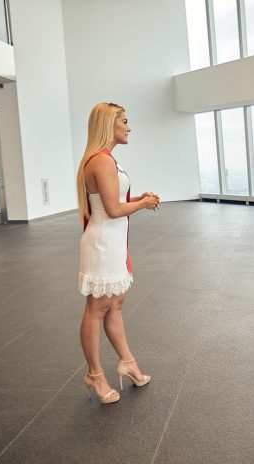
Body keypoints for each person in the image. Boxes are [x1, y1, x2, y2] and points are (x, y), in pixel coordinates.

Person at [76, 102, 160, 404]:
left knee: (115, 305)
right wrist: (143, 204)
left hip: (113, 241)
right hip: (102, 243)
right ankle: (95, 375)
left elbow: (112, 201)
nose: (129, 127)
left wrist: (138, 199)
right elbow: (112, 209)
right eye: (124, 121)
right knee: (97, 308)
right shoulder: (100, 160)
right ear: (108, 125)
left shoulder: (108, 159)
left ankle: (127, 362)